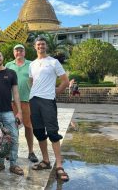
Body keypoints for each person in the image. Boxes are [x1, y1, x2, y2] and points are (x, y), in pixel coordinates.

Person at [29, 36, 70, 181]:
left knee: (53, 132)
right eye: (38, 44)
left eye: (43, 44)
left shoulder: (53, 62)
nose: (40, 46)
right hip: (34, 100)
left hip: (48, 101)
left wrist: (54, 93)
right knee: (39, 132)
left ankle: (59, 165)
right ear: (35, 47)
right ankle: (46, 161)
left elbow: (65, 82)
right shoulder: (32, 64)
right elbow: (31, 81)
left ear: (46, 46)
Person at [6, 44, 38, 163]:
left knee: (28, 126)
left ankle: (31, 151)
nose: (19, 52)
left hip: (27, 100)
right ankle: (12, 151)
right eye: (16, 50)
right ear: (14, 53)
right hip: (12, 101)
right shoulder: (8, 65)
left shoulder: (31, 64)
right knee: (12, 128)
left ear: (24, 52)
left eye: (21, 50)